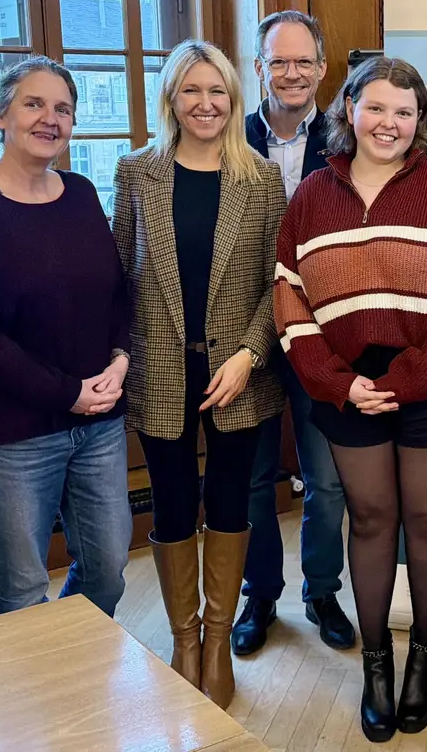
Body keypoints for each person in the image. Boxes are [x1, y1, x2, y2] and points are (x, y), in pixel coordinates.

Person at [274, 57, 427, 743]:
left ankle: (422, 661)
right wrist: (340, 383)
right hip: (346, 383)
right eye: (376, 108)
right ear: (349, 110)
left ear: (419, 121)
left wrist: (408, 380)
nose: (390, 124)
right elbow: (288, 296)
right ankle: (377, 666)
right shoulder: (313, 193)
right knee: (370, 522)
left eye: (404, 112)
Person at [113, 40, 287, 710]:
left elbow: (281, 281)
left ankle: (219, 641)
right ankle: (184, 641)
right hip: (160, 370)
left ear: (234, 99)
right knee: (175, 502)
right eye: (192, 91)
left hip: (239, 372)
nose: (206, 104)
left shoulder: (261, 178)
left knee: (231, 501)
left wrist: (249, 353)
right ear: (171, 100)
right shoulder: (137, 173)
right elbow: (119, 276)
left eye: (218, 92)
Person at [0, 57, 133, 623]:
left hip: (98, 423)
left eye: (62, 108)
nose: (50, 118)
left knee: (109, 567)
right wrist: (66, 392)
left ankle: (73, 661)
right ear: (1, 115)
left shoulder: (81, 193)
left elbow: (116, 294)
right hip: (9, 436)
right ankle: (36, 702)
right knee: (22, 590)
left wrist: (120, 358)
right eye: (34, 104)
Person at [233, 11, 356, 656]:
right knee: (255, 480)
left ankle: (322, 591)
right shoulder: (227, 134)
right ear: (259, 67)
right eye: (278, 61)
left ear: (323, 67)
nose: (292, 73)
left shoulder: (346, 140)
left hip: (322, 335)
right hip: (245, 335)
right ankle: (259, 597)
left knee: (326, 479)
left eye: (303, 61)